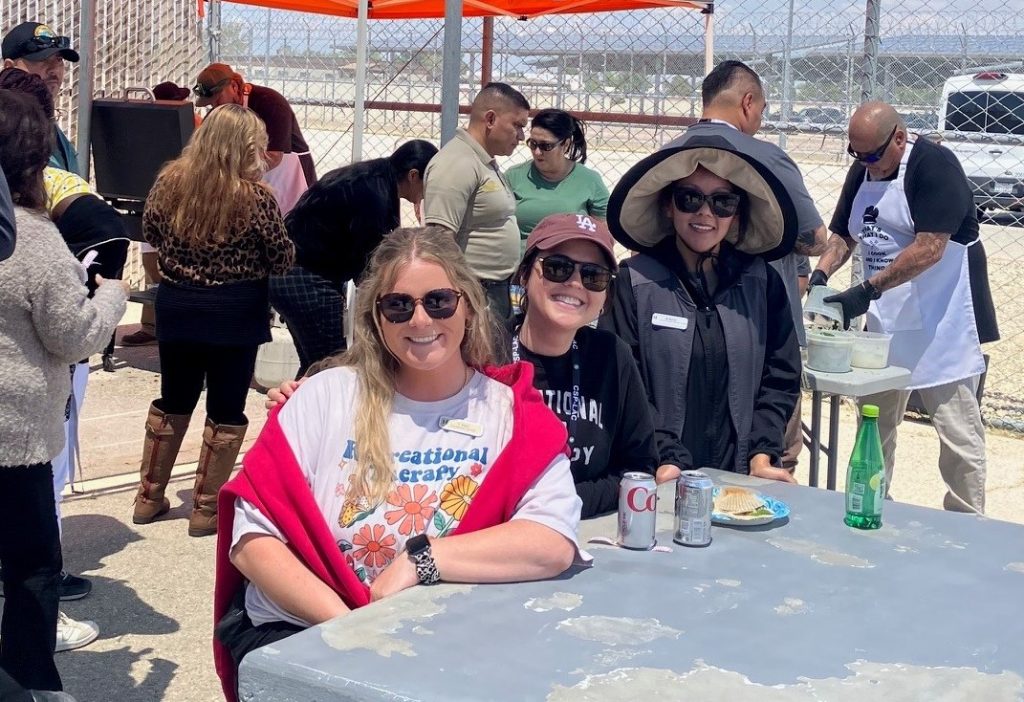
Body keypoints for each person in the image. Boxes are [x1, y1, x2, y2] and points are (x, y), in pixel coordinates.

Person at [213, 227, 581, 700]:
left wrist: (422, 559)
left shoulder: (509, 414)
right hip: (304, 631)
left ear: (468, 305)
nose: (421, 320)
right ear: (377, 318)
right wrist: (354, 628)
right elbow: (252, 539)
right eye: (399, 306)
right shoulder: (326, 397)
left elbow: (551, 541)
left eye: (440, 301)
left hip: (442, 644)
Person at [0, 88, 127, 698]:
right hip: (15, 438)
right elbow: (72, 336)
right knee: (31, 570)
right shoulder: (32, 238)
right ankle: (29, 681)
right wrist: (110, 293)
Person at [810, 101, 998, 514]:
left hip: (941, 317)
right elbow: (844, 234)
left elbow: (930, 248)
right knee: (875, 422)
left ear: (898, 137)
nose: (865, 165)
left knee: (957, 431)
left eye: (873, 156)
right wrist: (822, 274)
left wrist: (865, 290)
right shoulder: (863, 167)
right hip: (885, 317)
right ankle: (872, 504)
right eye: (855, 155)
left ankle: (967, 521)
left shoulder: (934, 166)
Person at [131, 104, 295, 537]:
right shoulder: (256, 197)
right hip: (234, 313)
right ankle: (205, 509)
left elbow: (151, 232)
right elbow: (280, 258)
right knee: (225, 406)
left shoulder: (169, 182)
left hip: (179, 305)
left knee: (174, 398)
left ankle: (149, 496)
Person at [600, 137, 800, 485]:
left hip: (739, 477)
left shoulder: (762, 283)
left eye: (723, 202)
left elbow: (781, 376)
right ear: (668, 206)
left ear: (736, 213)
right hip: (658, 477)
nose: (705, 213)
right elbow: (623, 382)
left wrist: (762, 451)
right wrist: (665, 455)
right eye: (689, 198)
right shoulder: (633, 283)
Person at [663, 60, 828, 475]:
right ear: (748, 103)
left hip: (676, 336)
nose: (706, 212)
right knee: (771, 451)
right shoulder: (767, 157)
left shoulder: (667, 153)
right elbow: (814, 237)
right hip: (758, 328)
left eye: (723, 203)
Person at [510, 213, 657, 516]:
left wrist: (561, 507)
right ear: (524, 274)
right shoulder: (485, 352)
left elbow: (638, 470)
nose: (575, 283)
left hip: (589, 534)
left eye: (594, 275)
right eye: (557, 268)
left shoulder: (612, 356)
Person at [271, 139, 438, 375]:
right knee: (330, 368)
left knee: (317, 364)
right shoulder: (374, 195)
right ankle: (306, 409)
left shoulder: (374, 178)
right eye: (430, 183)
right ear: (413, 175)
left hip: (293, 273)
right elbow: (368, 265)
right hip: (307, 277)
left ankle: (295, 408)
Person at [423, 82, 530, 322]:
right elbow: (439, 240)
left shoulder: (480, 161)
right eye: (517, 125)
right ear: (490, 119)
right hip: (474, 294)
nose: (521, 136)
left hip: (493, 291)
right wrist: (463, 300)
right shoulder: (457, 163)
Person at [193, 63, 315, 213]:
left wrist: (235, 177)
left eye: (217, 99)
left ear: (234, 86)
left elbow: (274, 156)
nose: (214, 105)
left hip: (288, 175)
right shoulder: (217, 112)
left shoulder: (270, 102)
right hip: (250, 179)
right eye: (210, 103)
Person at [505, 108, 609, 253]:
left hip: (569, 265)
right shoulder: (514, 176)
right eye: (533, 144)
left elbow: (605, 235)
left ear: (565, 144)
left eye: (546, 146)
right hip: (522, 264)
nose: (537, 152)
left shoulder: (590, 181)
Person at [1, 22, 79, 173]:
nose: (54, 70)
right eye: (42, 60)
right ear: (10, 67)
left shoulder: (53, 130)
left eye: (58, 60)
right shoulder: (7, 128)